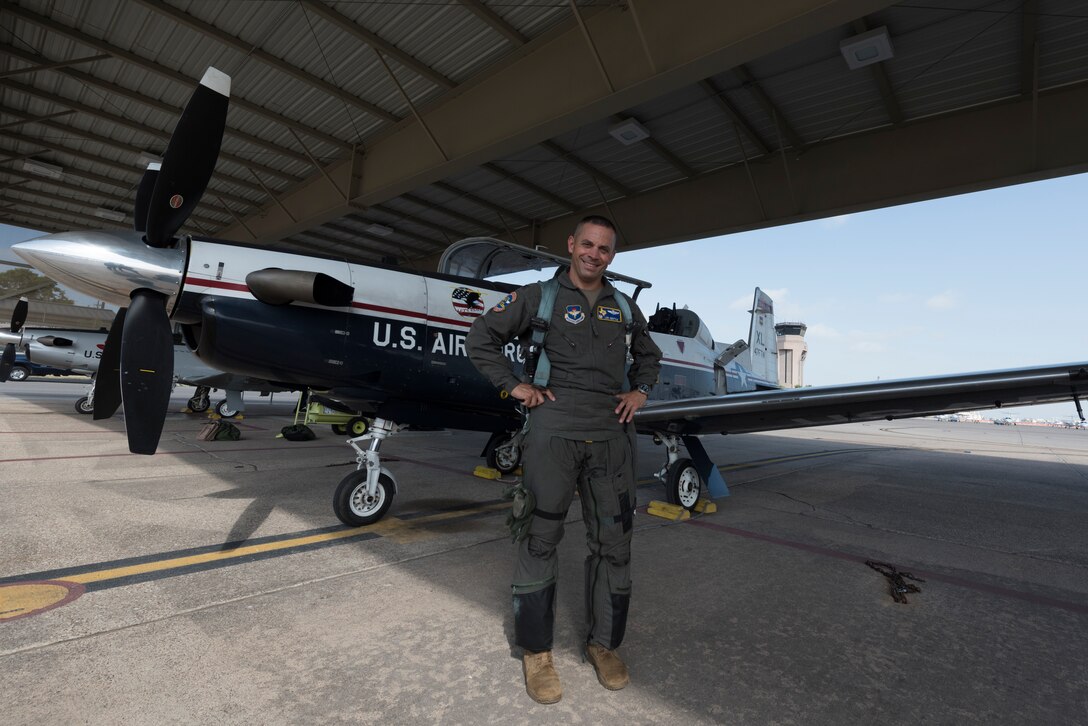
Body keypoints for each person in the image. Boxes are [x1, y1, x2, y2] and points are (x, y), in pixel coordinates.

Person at [466, 215, 662, 704]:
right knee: (539, 537)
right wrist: (514, 385)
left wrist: (640, 390)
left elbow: (649, 357)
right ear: (571, 245)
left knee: (614, 544)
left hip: (612, 432)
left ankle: (604, 645)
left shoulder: (624, 306)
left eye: (604, 249)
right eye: (587, 245)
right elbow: (480, 339)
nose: (594, 254)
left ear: (611, 256)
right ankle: (536, 651)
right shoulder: (537, 298)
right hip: (553, 430)